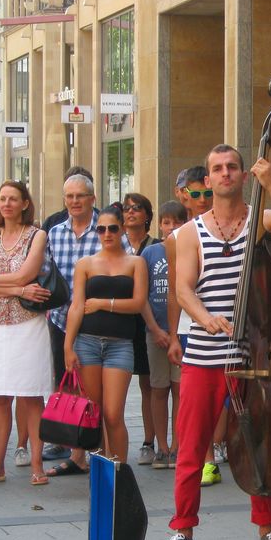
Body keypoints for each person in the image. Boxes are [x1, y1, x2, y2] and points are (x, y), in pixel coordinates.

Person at [153, 144, 271, 540]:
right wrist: (203, 318)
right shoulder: (188, 233)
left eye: (232, 168)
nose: (225, 174)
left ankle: (266, 528)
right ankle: (183, 529)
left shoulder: (259, 219)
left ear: (243, 175)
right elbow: (184, 289)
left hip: (252, 353)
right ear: (207, 180)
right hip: (204, 355)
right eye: (217, 169)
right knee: (191, 445)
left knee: (260, 439)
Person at [45, 173, 126, 473]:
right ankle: (78, 451)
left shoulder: (107, 229)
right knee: (67, 387)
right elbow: (46, 272)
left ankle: (95, 456)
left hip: (98, 325)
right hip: (61, 320)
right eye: (70, 196)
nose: (75, 202)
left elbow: (126, 272)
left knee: (98, 400)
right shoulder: (54, 232)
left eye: (81, 196)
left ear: (92, 198)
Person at [0, 181, 53, 485]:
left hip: (28, 324)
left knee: (31, 395)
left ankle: (37, 464)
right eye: (2, 198)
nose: (7, 203)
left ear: (24, 203)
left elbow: (26, 272)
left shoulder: (36, 235)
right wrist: (18, 289)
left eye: (13, 199)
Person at [64, 205, 148, 464]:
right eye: (101, 229)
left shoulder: (136, 262)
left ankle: (120, 470)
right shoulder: (85, 264)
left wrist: (103, 303)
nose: (107, 234)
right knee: (94, 411)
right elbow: (77, 306)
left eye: (112, 228)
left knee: (114, 414)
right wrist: (68, 346)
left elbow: (138, 304)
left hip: (120, 345)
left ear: (122, 229)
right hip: (87, 341)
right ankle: (100, 466)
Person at [161, 166, 213, 468]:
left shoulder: (230, 227)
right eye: (196, 194)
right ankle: (200, 457)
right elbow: (172, 290)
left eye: (207, 193)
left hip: (227, 322)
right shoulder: (176, 238)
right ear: (184, 196)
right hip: (189, 327)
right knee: (193, 397)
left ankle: (216, 449)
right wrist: (171, 335)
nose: (203, 199)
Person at [140, 201, 188, 471]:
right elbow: (143, 296)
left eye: (177, 222)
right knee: (159, 390)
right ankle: (162, 447)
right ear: (160, 224)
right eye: (167, 222)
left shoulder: (190, 249)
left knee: (181, 390)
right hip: (155, 333)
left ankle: (179, 446)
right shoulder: (150, 253)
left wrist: (175, 334)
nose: (171, 228)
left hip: (181, 333)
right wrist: (156, 330)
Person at [122, 192, 157, 463]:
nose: (131, 212)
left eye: (137, 208)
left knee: (149, 385)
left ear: (147, 215)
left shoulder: (155, 246)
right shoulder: (114, 244)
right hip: (121, 322)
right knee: (117, 386)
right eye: (126, 208)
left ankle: (149, 441)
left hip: (148, 322)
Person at [42, 166, 93, 233]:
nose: (75, 201)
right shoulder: (52, 225)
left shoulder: (105, 225)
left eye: (80, 195)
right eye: (70, 195)